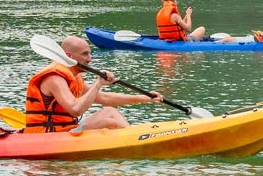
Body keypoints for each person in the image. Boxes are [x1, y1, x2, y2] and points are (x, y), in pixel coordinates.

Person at [24, 36, 163, 133]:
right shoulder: (55, 78)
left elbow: (104, 98)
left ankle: (132, 137)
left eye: (89, 54)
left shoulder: (75, 77)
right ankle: (136, 140)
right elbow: (75, 109)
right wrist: (98, 84)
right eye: (85, 54)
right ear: (69, 56)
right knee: (109, 123)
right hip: (49, 134)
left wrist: (145, 98)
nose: (90, 59)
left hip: (66, 128)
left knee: (109, 111)